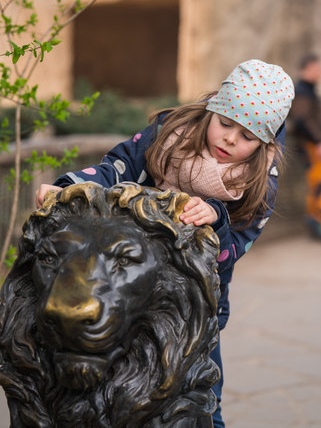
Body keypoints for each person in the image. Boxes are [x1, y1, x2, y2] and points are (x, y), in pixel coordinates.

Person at [35, 59, 294, 427]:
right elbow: (117, 168)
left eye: (248, 136)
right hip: (129, 286)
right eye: (225, 123)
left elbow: (233, 249)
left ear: (264, 142)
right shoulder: (169, 134)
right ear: (212, 109)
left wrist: (217, 219)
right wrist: (67, 190)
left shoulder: (256, 183)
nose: (230, 139)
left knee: (200, 389)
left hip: (194, 306)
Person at [290, 53, 321, 239]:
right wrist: (317, 141)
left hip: (313, 144)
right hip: (311, 146)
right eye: (317, 67)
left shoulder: (308, 90)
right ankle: (316, 223)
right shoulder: (302, 91)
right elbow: (302, 120)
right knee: (317, 183)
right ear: (309, 67)